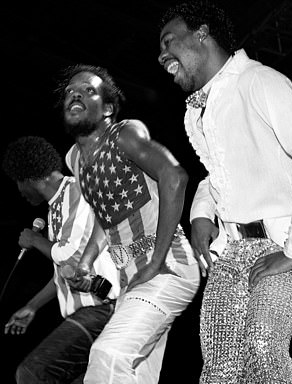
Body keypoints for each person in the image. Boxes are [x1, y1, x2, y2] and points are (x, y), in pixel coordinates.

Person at [157, 1, 292, 383]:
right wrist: (200, 214)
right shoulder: (196, 110)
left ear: (202, 34)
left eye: (169, 41)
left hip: (283, 243)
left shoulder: (258, 81)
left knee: (263, 342)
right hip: (232, 252)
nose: (162, 55)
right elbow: (217, 173)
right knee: (220, 367)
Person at [56, 64, 200, 383]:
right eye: (70, 91)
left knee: (107, 357)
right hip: (131, 279)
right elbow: (103, 215)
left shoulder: (123, 134)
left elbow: (174, 177)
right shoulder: (75, 160)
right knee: (134, 375)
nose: (75, 93)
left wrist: (155, 262)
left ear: (107, 108)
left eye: (88, 90)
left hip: (165, 269)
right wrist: (86, 262)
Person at [1, 135, 120, 384]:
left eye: (17, 182)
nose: (19, 191)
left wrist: (35, 240)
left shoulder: (76, 190)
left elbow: (73, 258)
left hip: (100, 310)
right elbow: (63, 272)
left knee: (33, 373)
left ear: (29, 177)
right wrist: (33, 306)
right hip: (87, 314)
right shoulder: (55, 205)